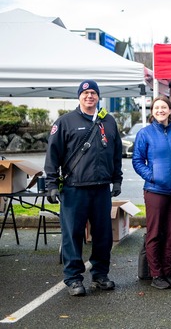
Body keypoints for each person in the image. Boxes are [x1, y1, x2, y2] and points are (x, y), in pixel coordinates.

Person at [44, 80, 122, 297]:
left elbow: (116, 154)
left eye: (93, 93)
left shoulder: (108, 121)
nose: (90, 96)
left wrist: (117, 180)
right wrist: (51, 184)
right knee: (73, 235)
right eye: (86, 93)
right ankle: (73, 278)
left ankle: (100, 275)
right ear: (79, 96)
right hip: (73, 189)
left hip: (101, 189)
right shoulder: (65, 122)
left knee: (103, 235)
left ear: (98, 97)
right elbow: (53, 155)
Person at [132, 97, 171, 290]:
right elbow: (137, 160)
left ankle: (167, 271)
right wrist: (153, 176)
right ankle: (156, 273)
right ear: (152, 111)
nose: (160, 110)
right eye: (156, 107)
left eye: (163, 107)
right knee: (155, 233)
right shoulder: (145, 133)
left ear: (169, 110)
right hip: (155, 190)